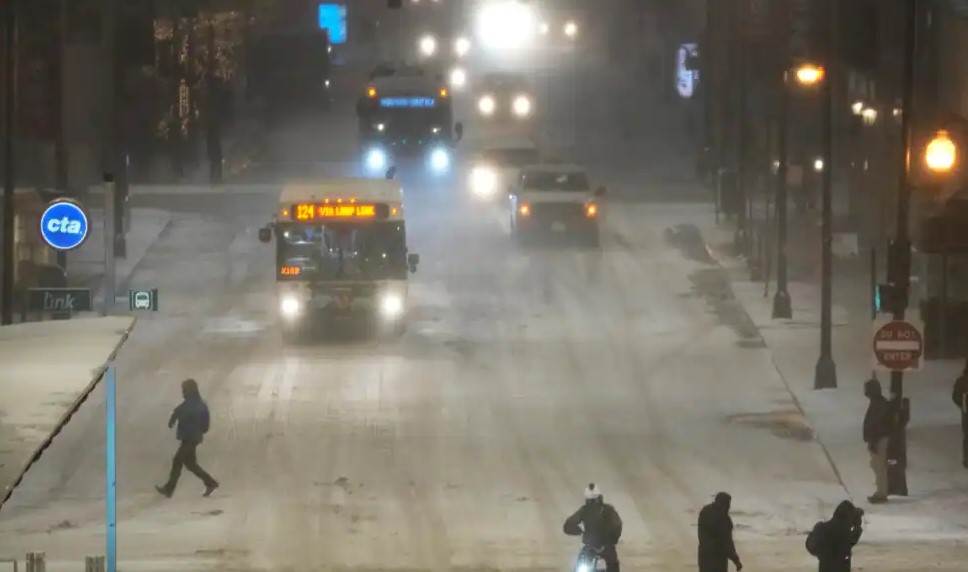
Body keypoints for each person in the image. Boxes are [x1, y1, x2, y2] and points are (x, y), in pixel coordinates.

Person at [156, 379, 219, 498]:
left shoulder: (195, 405)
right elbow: (179, 411)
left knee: (177, 461)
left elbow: (182, 412)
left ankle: (169, 489)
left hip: (191, 438)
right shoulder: (193, 403)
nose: (183, 392)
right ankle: (211, 483)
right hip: (189, 437)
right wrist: (173, 419)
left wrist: (174, 419)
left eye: (184, 390)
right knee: (190, 464)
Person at [563, 483, 623, 572]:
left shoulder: (585, 510)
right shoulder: (608, 509)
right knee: (613, 565)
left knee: (579, 567)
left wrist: (579, 531)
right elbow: (617, 525)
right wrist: (613, 539)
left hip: (592, 547)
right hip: (603, 547)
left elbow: (569, 524)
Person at [811, 500, 864, 572]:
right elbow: (851, 540)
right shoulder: (844, 532)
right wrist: (857, 526)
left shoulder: (823, 527)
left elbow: (811, 546)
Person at [697, 492, 742, 572]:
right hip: (718, 560)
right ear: (724, 504)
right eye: (728, 504)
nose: (729, 507)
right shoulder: (724, 519)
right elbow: (727, 543)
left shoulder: (705, 511)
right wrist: (736, 561)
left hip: (704, 557)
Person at [863, 378, 890, 503]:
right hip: (877, 439)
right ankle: (881, 491)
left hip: (879, 439)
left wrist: (873, 441)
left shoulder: (878, 404)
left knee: (879, 466)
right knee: (876, 466)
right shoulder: (878, 402)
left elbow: (877, 424)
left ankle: (881, 493)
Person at [952, 366, 968, 468]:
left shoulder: (961, 381)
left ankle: (966, 460)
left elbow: (955, 396)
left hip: (966, 412)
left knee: (967, 436)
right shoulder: (961, 381)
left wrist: (962, 405)